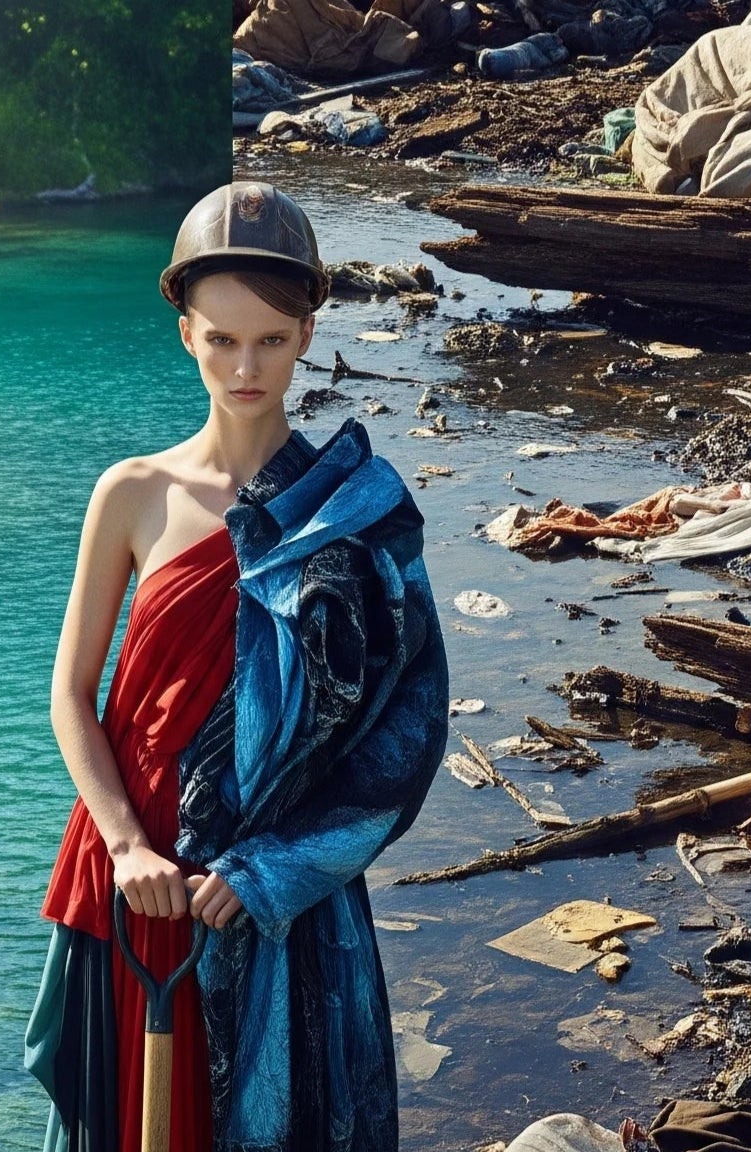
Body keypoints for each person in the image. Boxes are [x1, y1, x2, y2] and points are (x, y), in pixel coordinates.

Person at [25, 182, 449, 1152]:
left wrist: (271, 872)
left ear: (307, 336)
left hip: (266, 895)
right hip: (138, 879)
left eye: (269, 339)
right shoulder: (131, 493)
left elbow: (408, 737)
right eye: (220, 339)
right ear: (186, 335)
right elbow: (71, 697)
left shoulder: (358, 511)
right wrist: (125, 845)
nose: (245, 367)